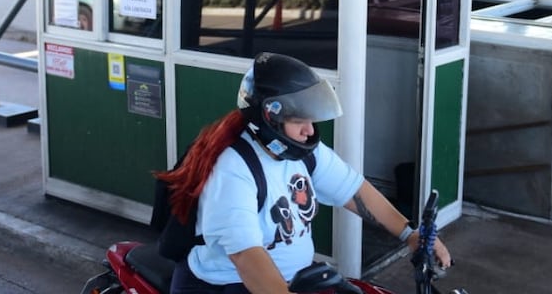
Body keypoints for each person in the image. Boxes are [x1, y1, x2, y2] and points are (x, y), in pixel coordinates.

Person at [158, 51, 452, 293]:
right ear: (269, 117)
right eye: (300, 120)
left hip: (294, 279)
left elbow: (354, 191)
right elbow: (247, 258)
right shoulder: (233, 169)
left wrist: (410, 235)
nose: (310, 130)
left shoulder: (301, 152)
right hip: (228, 284)